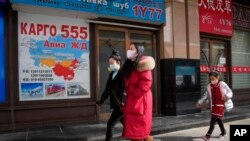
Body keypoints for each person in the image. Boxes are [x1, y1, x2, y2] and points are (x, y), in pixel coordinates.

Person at [121, 43, 155, 141]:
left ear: (138, 51)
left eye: (131, 49)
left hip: (140, 100)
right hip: (132, 99)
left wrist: (135, 94)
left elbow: (146, 83)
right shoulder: (131, 65)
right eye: (129, 48)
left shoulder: (142, 65)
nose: (129, 51)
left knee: (139, 130)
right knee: (135, 130)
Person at [196, 70, 233, 141]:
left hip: (221, 105)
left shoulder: (222, 84)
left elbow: (230, 92)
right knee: (218, 119)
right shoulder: (209, 86)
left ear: (217, 77)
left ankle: (208, 135)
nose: (212, 81)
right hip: (214, 105)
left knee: (213, 119)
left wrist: (226, 96)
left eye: (213, 79)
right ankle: (224, 132)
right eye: (210, 79)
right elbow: (205, 96)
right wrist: (199, 102)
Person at [96, 49, 124, 141]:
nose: (110, 65)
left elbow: (126, 90)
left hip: (121, 104)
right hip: (116, 103)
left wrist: (122, 101)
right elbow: (107, 89)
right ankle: (138, 136)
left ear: (118, 62)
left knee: (110, 124)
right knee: (125, 122)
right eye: (109, 63)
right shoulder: (111, 74)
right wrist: (101, 100)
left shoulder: (123, 74)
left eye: (112, 63)